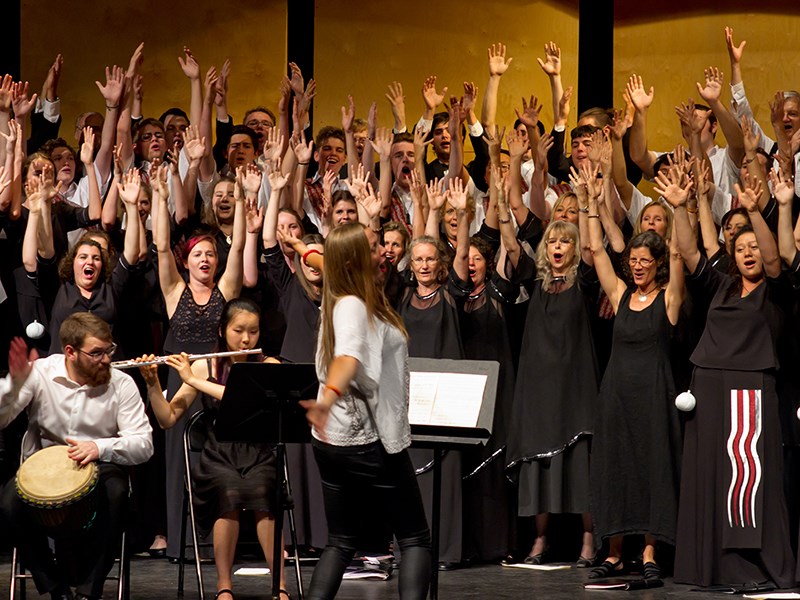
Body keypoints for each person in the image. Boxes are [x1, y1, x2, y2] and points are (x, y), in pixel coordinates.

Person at [666, 169, 796, 588]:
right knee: (712, 477)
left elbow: (777, 260)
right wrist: (677, 208)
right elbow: (688, 254)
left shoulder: (775, 289)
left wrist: (758, 212)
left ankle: (749, 566)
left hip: (752, 390)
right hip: (709, 387)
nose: (750, 253)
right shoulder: (721, 285)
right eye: (741, 248)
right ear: (732, 254)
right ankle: (710, 566)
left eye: (755, 246)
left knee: (749, 481)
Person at [301, 222, 431, 600]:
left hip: (330, 442)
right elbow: (347, 358)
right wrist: (325, 400)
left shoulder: (338, 287)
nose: (383, 253)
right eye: (374, 247)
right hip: (364, 438)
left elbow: (324, 259)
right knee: (415, 538)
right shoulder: (353, 306)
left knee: (341, 540)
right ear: (358, 259)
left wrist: (299, 245)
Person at [138, 298, 288, 600]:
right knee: (228, 490)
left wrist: (194, 379)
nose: (246, 340)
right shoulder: (206, 364)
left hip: (258, 455)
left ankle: (280, 587)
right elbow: (167, 418)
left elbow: (243, 397)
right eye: (238, 331)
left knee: (263, 492)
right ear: (222, 330)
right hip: (217, 456)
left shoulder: (268, 365)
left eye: (254, 332)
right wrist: (153, 383)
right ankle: (223, 587)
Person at [0, 313, 153, 600]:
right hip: (44, 468)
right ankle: (54, 586)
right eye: (96, 353)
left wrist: (99, 447)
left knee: (118, 493)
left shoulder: (121, 384)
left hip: (99, 466)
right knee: (9, 504)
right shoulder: (40, 372)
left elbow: (144, 445)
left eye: (109, 350)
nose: (106, 359)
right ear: (70, 352)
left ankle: (88, 591)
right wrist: (14, 387)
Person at [585, 163, 685, 581]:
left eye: (646, 261)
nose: (638, 266)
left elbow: (680, 253)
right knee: (616, 467)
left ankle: (648, 552)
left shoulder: (670, 299)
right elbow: (595, 253)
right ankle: (613, 551)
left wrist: (678, 210)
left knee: (651, 469)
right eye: (634, 260)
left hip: (654, 396)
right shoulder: (622, 295)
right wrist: (591, 204)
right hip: (617, 396)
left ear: (658, 263)